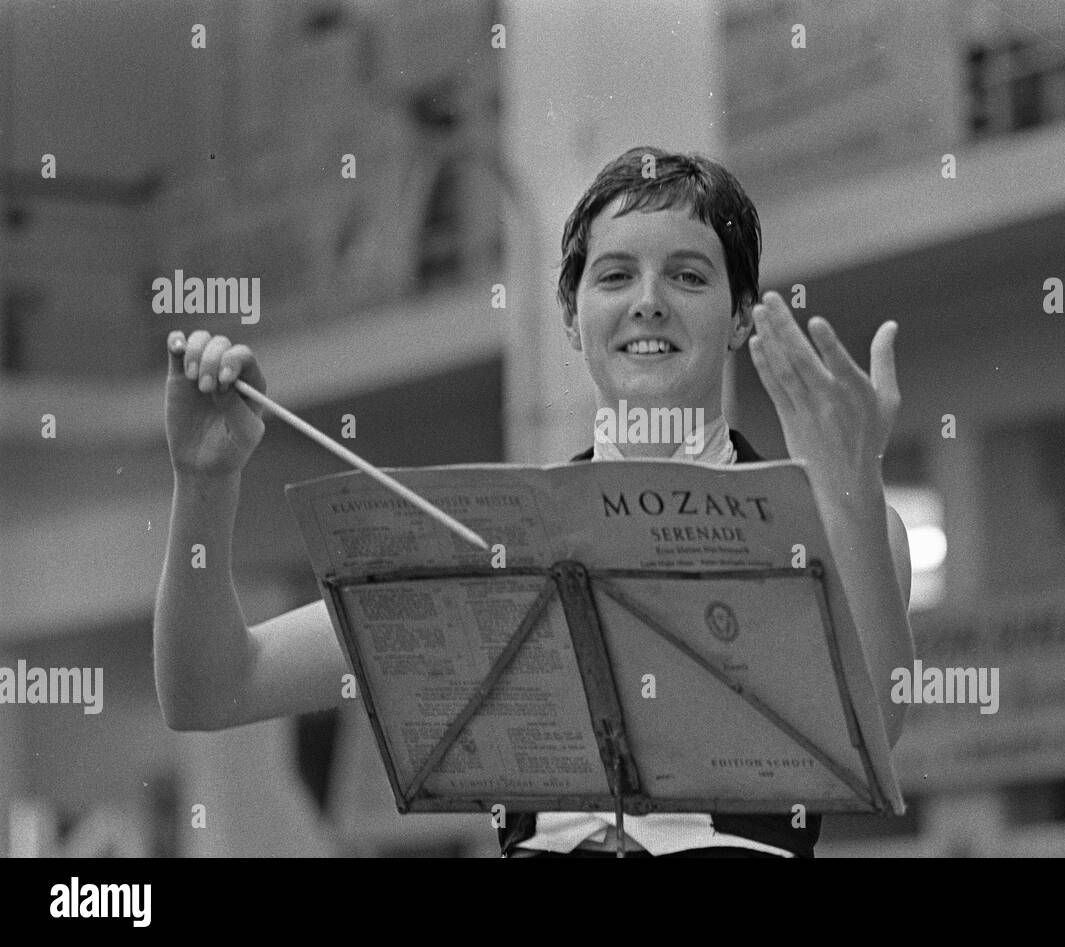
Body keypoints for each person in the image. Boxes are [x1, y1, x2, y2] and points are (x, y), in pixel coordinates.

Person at [155, 146, 914, 858]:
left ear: (742, 315)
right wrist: (204, 481)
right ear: (570, 316)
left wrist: (852, 481)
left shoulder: (840, 519)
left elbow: (877, 725)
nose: (648, 302)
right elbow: (213, 686)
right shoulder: (489, 538)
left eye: (687, 275)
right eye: (615, 277)